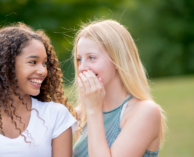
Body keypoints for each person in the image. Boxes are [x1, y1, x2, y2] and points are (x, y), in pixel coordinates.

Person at [0, 23, 77, 157]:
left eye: (45, 63)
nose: (43, 71)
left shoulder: (56, 115)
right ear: (7, 65)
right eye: (33, 62)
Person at [72, 20, 167, 157]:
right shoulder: (83, 114)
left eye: (92, 58)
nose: (82, 67)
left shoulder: (146, 111)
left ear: (117, 60)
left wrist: (93, 110)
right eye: (79, 59)